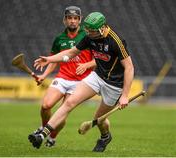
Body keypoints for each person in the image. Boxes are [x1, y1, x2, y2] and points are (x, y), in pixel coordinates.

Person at [29, 12, 134, 152]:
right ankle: (43, 135)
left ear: (102, 28)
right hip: (97, 77)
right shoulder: (89, 36)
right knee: (69, 102)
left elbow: (129, 67)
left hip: (114, 85)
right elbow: (71, 52)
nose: (88, 33)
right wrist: (50, 59)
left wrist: (125, 95)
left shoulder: (116, 41)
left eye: (92, 31)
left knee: (99, 119)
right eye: (87, 30)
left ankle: (105, 136)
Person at [28, 6, 96, 147]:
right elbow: (53, 60)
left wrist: (86, 65)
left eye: (75, 18)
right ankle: (44, 128)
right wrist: (44, 75)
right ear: (64, 20)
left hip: (80, 82)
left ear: (80, 20)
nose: (72, 21)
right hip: (63, 77)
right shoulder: (59, 39)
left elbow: (99, 59)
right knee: (46, 106)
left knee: (62, 110)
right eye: (69, 18)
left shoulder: (87, 36)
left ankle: (52, 137)